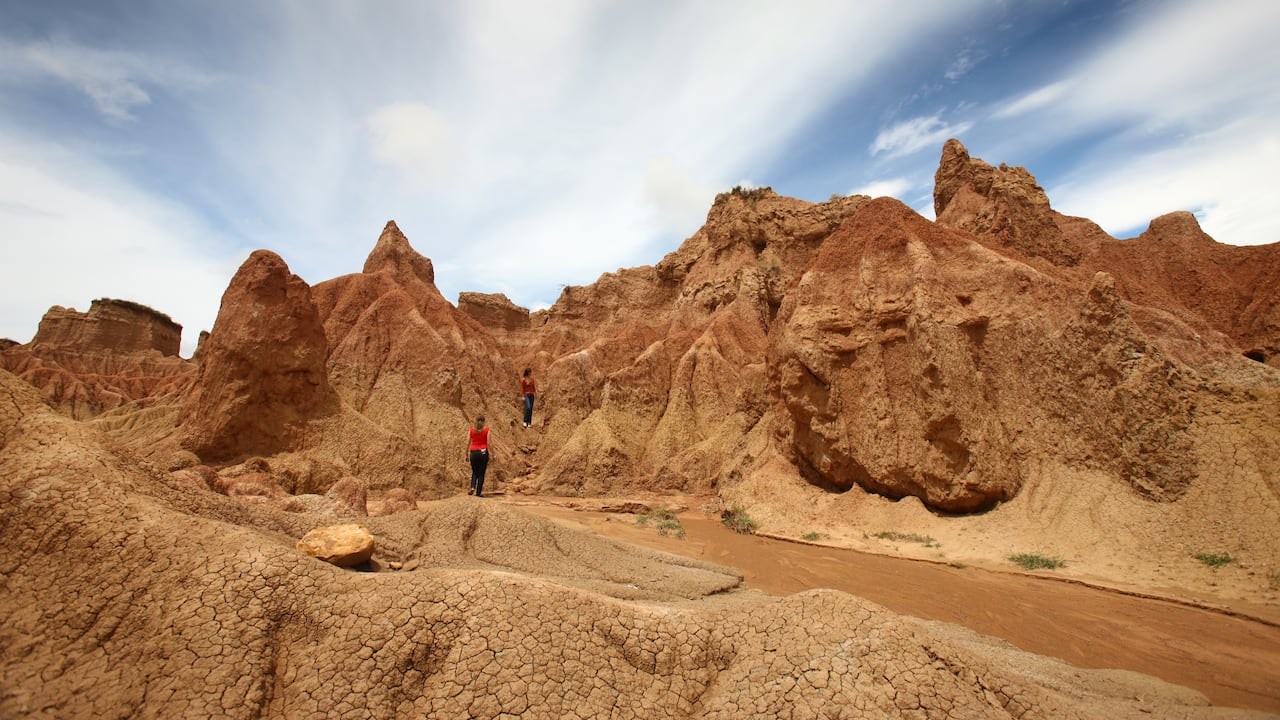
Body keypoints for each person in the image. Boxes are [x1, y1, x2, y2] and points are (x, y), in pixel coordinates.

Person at [466, 415, 490, 497]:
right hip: (483, 452)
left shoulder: (471, 431)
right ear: (484, 422)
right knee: (481, 473)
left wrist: (466, 454)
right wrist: (494, 454)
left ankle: (472, 487)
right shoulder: (487, 430)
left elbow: (467, 443)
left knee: (474, 471)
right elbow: (489, 443)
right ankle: (478, 492)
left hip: (473, 452)